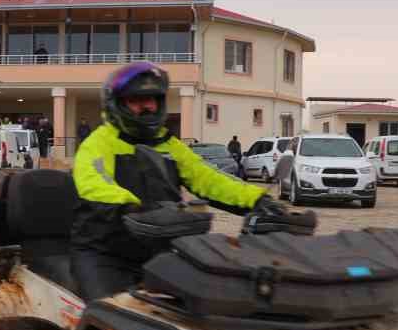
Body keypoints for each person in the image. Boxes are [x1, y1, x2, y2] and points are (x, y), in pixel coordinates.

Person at [72, 62, 291, 302]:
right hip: (105, 255)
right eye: (136, 100)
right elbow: (95, 181)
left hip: (162, 252)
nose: (147, 107)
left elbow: (207, 177)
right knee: (109, 318)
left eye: (152, 99)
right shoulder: (98, 143)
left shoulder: (169, 145)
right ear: (117, 104)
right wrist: (132, 207)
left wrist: (257, 199)